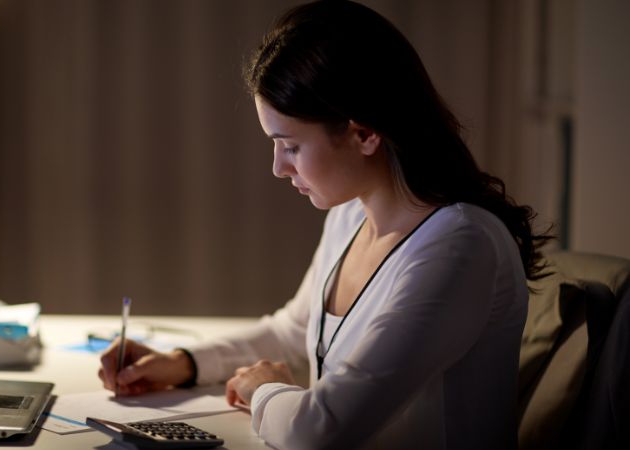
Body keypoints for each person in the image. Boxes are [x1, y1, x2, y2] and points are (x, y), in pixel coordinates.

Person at [98, 1, 552, 449]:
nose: (278, 167)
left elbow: (319, 429)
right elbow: (294, 334)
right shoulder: (352, 213)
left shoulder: (460, 246)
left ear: (364, 133)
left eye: (290, 146)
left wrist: (264, 390)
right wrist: (183, 363)